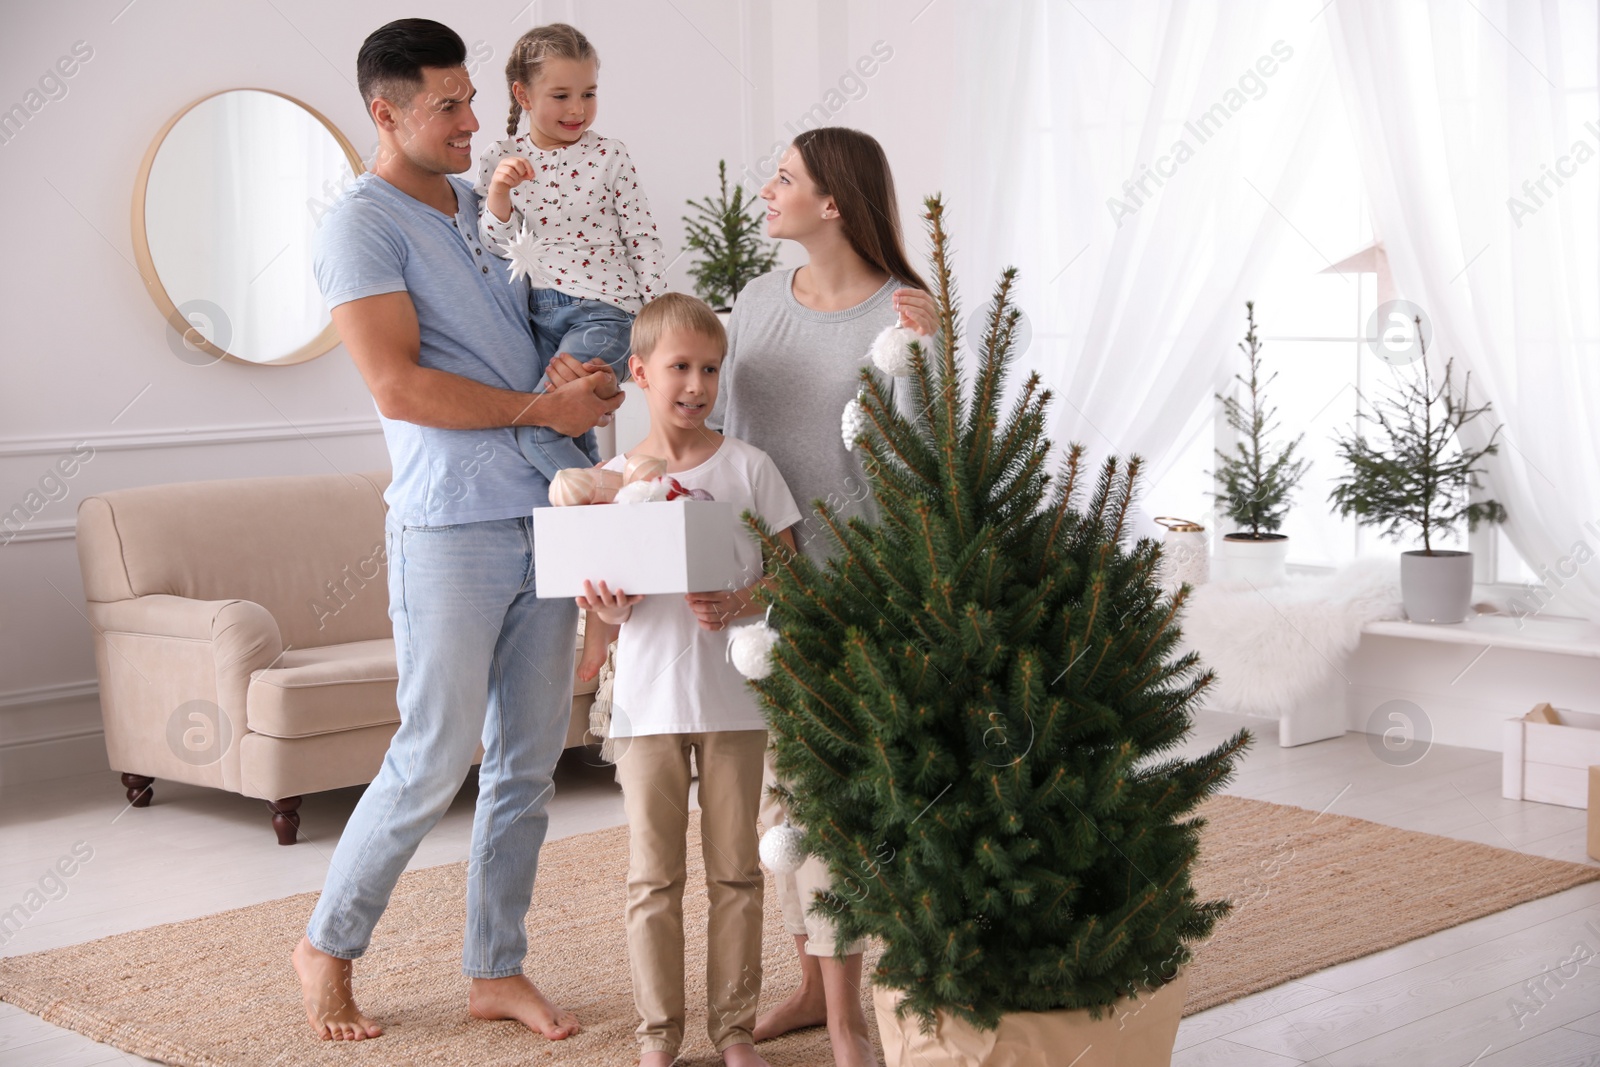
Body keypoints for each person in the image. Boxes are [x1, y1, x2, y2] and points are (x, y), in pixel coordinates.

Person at [291, 18, 622, 1044]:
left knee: (528, 758)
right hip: (450, 527)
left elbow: (530, 344)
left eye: (473, 97)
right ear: (385, 112)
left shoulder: (483, 208)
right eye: (449, 105)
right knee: (433, 751)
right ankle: (327, 943)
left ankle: (495, 967)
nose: (477, 119)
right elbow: (398, 382)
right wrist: (539, 411)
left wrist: (573, 377)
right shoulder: (360, 224)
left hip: (544, 509)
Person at [719, 127, 939, 1067]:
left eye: (784, 178)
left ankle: (851, 1017)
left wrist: (929, 358)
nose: (767, 191)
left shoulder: (906, 312)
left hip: (867, 592)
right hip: (765, 597)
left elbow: (926, 467)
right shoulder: (756, 301)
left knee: (846, 801)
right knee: (784, 806)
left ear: (834, 202)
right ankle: (814, 985)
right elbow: (721, 442)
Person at [577, 293, 800, 1067]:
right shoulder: (608, 481)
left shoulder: (749, 468)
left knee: (738, 871)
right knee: (652, 877)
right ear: (641, 372)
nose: (697, 384)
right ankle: (657, 1038)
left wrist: (743, 599)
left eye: (711, 368)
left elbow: (795, 581)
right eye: (680, 367)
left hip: (736, 700)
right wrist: (603, 608)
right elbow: (598, 624)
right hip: (645, 705)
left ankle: (732, 1029)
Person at [477, 21, 665, 479]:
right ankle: (601, 538)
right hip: (537, 318)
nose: (577, 109)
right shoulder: (499, 157)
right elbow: (498, 247)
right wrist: (500, 193)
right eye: (561, 96)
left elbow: (641, 236)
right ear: (523, 96)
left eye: (589, 93)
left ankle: (616, 504)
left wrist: (657, 323)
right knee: (575, 431)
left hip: (606, 315)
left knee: (538, 431)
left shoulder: (611, 155)